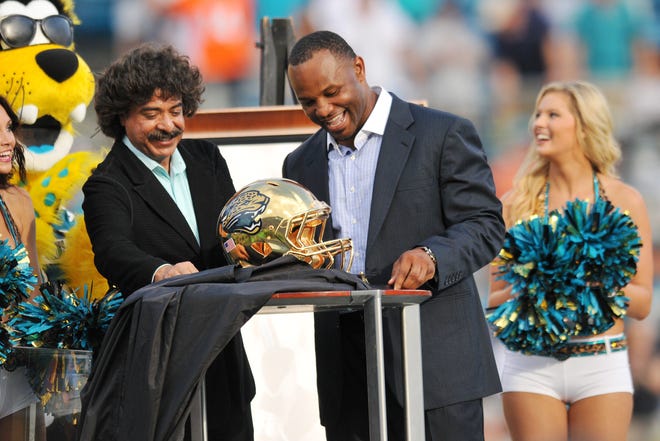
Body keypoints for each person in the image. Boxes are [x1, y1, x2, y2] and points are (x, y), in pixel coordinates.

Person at [282, 30, 506, 441]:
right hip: (347, 372)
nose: (324, 109)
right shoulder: (299, 163)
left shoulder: (443, 133)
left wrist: (432, 255)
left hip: (436, 360)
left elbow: (486, 224)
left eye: (332, 92)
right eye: (308, 101)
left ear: (360, 68)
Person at [81, 44, 254, 440]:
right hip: (159, 364)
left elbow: (233, 232)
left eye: (175, 111)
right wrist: (162, 272)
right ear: (121, 116)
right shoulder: (107, 183)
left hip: (223, 358)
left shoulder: (207, 158)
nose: (168, 125)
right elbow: (112, 250)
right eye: (151, 113)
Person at [487, 80, 653, 441]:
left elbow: (642, 303)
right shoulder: (515, 204)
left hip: (601, 364)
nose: (538, 124)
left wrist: (591, 283)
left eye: (552, 115)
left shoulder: (624, 201)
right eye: (537, 114)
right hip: (530, 367)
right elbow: (494, 301)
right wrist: (536, 288)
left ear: (585, 125)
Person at [0, 95, 44, 440]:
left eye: (9, 127)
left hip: (15, 368)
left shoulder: (19, 200)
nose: (7, 140)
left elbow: (33, 291)